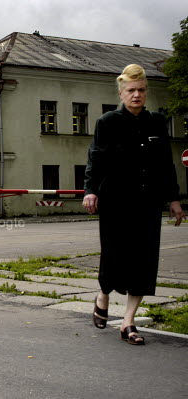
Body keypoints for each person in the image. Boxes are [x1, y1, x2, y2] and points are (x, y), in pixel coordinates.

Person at [83, 64, 186, 345]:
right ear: (121, 92)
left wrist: (174, 198)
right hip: (115, 201)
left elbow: (167, 164)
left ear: (146, 92)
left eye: (141, 90)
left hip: (148, 202)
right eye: (131, 90)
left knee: (143, 259)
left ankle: (128, 322)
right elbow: (96, 159)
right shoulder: (108, 122)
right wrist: (91, 190)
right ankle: (103, 295)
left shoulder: (156, 123)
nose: (136, 95)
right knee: (114, 255)